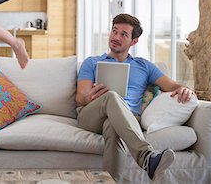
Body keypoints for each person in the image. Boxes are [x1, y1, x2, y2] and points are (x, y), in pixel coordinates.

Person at [76, 13, 196, 182]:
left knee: (113, 125)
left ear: (134, 41)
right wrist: (89, 98)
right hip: (92, 115)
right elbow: (80, 97)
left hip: (127, 119)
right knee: (111, 95)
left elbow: (174, 86)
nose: (116, 37)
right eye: (114, 31)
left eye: (123, 34)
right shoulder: (92, 62)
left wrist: (185, 90)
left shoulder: (144, 66)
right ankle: (146, 156)